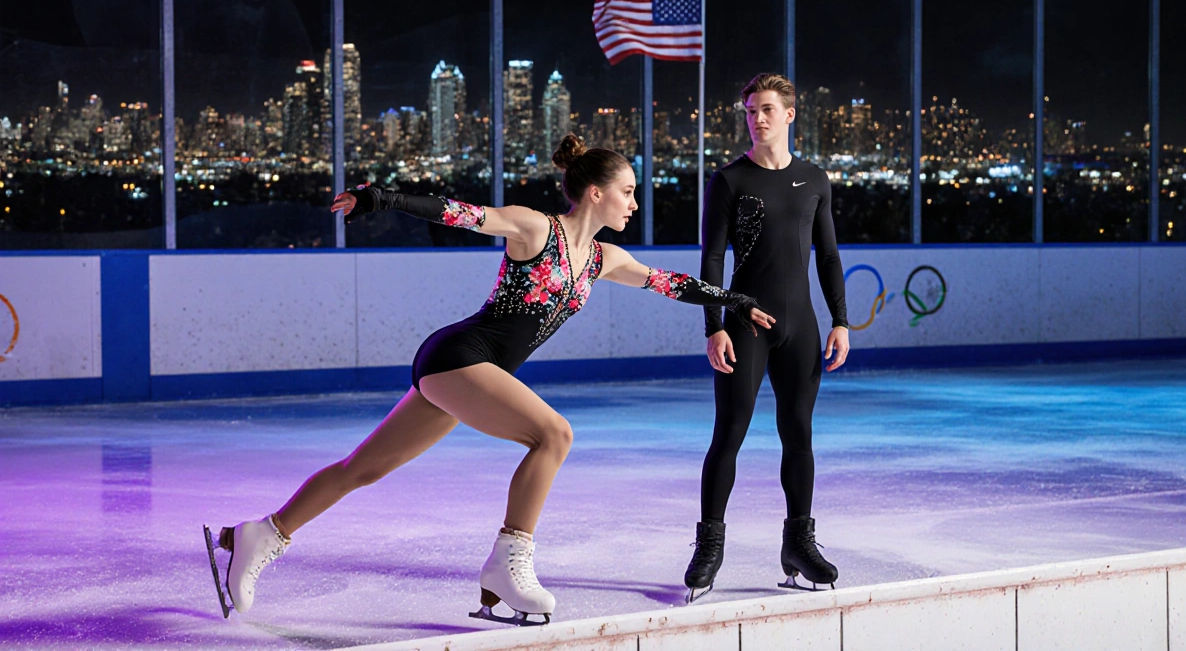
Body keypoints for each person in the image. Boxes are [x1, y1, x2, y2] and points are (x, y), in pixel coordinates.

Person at [203, 134, 774, 626]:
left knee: (362, 469)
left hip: (474, 374)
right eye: (627, 191)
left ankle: (261, 533)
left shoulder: (602, 258)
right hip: (458, 355)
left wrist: (737, 301)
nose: (634, 201)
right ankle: (509, 560)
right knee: (554, 434)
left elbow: (669, 282)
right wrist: (383, 197)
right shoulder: (534, 229)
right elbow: (460, 212)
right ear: (595, 193)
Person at [683, 74, 850, 603]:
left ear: (790, 115)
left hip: (801, 326)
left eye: (768, 109)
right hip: (744, 325)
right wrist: (714, 325)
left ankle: (799, 543)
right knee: (729, 433)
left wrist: (841, 320)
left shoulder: (815, 179)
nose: (757, 118)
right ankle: (709, 546)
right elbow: (712, 260)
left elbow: (827, 257)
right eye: (751, 110)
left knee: (798, 435)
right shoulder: (730, 180)